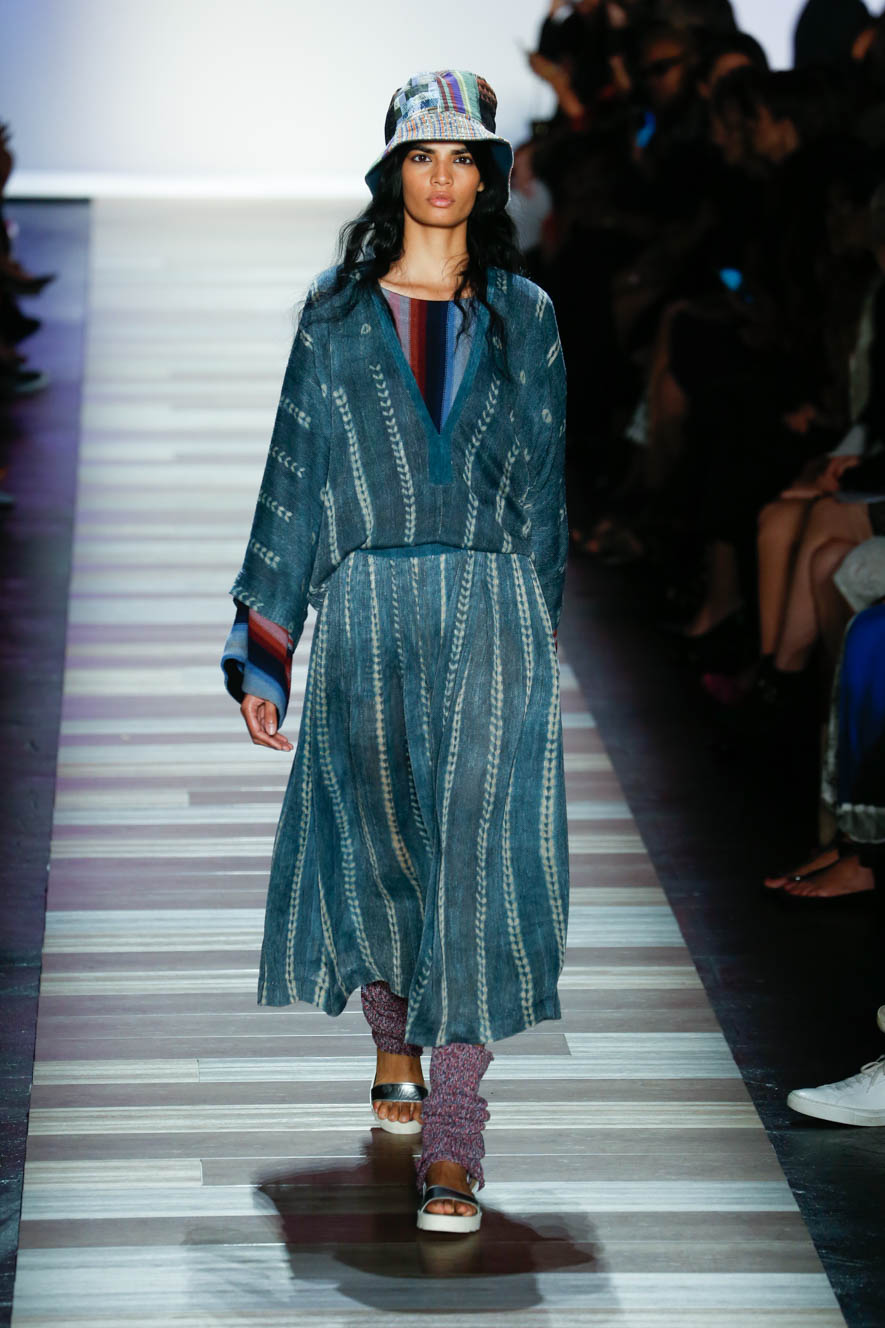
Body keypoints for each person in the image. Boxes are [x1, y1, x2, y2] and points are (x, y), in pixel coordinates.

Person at [220, 69, 570, 1236]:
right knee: (377, 845)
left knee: (478, 860)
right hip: (368, 608)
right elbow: (294, 477)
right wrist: (266, 649)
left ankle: (456, 1137)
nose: (442, 177)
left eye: (462, 156)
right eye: (422, 155)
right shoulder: (334, 314)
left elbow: (548, 488)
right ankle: (394, 1039)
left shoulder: (527, 314)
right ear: (393, 172)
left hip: (492, 606)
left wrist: (538, 635)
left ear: (488, 175)